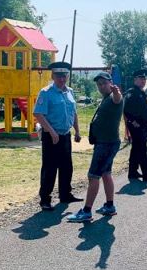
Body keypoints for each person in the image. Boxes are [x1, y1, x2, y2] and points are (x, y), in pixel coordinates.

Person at [67, 72, 123, 222]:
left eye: (104, 83)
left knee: (93, 176)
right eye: (99, 84)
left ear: (110, 83)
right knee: (106, 173)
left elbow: (118, 99)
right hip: (106, 142)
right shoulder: (105, 98)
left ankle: (86, 211)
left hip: (106, 144)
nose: (101, 86)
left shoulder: (113, 97)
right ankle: (109, 206)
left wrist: (116, 92)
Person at [33, 62, 83, 211]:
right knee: (50, 168)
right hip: (51, 136)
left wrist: (77, 131)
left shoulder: (70, 91)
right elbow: (38, 114)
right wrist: (52, 132)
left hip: (65, 134)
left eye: (64, 75)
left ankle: (65, 194)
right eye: (58, 76)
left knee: (67, 166)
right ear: (52, 76)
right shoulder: (46, 92)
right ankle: (45, 199)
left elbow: (73, 112)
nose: (62, 79)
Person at [123, 69, 147, 183]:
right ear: (135, 80)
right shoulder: (132, 92)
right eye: (141, 78)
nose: (143, 81)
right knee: (142, 149)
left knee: (136, 148)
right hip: (136, 125)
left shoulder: (141, 92)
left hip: (142, 124)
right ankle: (146, 175)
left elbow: (142, 107)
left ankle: (132, 172)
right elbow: (126, 109)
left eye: (144, 79)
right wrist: (133, 121)